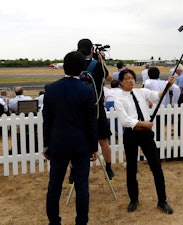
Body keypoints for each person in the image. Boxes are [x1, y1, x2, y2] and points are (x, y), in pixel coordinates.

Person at [43, 51, 98, 225]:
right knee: (82, 186)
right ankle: (81, 221)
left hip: (57, 144)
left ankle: (54, 221)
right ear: (83, 68)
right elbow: (91, 122)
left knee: (54, 186)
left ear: (64, 67)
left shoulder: (51, 89)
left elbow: (47, 120)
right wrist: (94, 146)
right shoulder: (87, 90)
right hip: (81, 145)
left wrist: (46, 144)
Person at [114, 69, 174, 214]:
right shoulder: (119, 99)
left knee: (156, 167)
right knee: (132, 168)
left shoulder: (142, 92)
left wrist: (168, 85)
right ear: (121, 82)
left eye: (132, 78)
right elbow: (125, 120)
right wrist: (142, 123)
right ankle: (133, 199)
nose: (130, 80)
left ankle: (162, 201)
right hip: (131, 134)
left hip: (146, 135)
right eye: (127, 78)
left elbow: (157, 96)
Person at [77, 38, 114, 180]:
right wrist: (101, 61)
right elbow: (109, 78)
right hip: (96, 106)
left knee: (77, 139)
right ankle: (109, 168)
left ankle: (74, 173)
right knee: (103, 139)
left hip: (78, 108)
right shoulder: (97, 65)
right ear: (92, 49)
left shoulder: (75, 63)